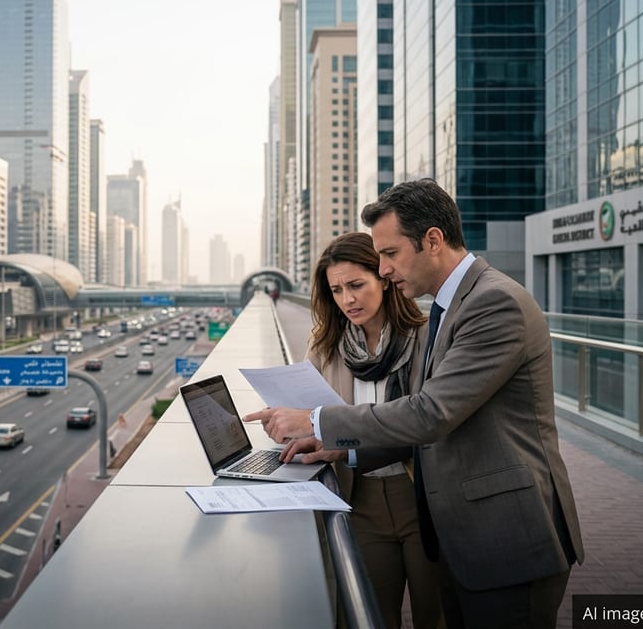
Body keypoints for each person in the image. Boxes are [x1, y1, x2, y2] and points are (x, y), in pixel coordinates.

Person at [247, 179, 584, 629]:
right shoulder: (450, 308)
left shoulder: (493, 303)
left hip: (506, 541)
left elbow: (431, 413)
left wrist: (316, 419)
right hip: (464, 535)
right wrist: (338, 449)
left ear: (432, 240)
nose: (384, 269)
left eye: (389, 253)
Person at [305, 232, 442, 629]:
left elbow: (427, 419)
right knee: (370, 615)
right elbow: (311, 416)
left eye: (356, 285)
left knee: (436, 615)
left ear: (383, 277)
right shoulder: (325, 346)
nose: (347, 299)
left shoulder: (425, 337)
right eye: (336, 290)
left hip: (422, 496)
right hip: (358, 497)